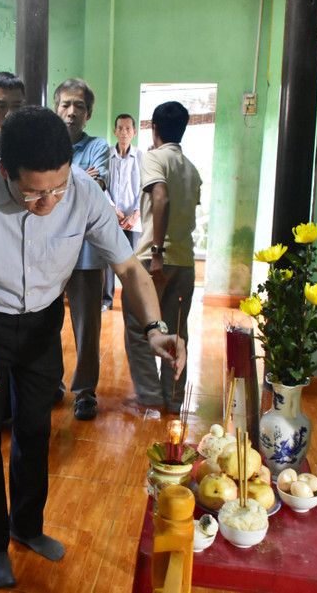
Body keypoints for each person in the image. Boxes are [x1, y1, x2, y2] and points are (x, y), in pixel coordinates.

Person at [0, 106, 186, 588]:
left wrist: (154, 327)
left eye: (57, 189)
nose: (48, 201)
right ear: (5, 170)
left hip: (44, 323)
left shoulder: (83, 192)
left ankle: (25, 526)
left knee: (35, 430)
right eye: (33, 192)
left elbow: (128, 267)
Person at [124, 101, 202, 413]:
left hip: (152, 260)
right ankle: (173, 397)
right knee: (175, 330)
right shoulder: (191, 168)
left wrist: (157, 253)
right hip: (185, 261)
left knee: (139, 326)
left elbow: (161, 196)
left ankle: (149, 395)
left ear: (154, 129)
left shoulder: (153, 158)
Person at [53, 78, 110, 420]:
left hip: (87, 252)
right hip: (47, 249)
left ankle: (85, 391)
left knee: (86, 325)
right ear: (56, 108)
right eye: (65, 105)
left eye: (79, 106)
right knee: (45, 321)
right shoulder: (45, 145)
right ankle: (52, 384)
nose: (71, 112)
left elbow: (94, 186)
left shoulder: (99, 146)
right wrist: (77, 176)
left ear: (88, 114)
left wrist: (60, 179)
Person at [103, 114, 143, 310]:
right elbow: (101, 185)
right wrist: (112, 209)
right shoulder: (107, 156)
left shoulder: (141, 157)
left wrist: (136, 214)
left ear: (134, 132)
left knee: (131, 261)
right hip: (112, 218)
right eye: (120, 128)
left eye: (128, 129)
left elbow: (145, 189)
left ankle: (130, 301)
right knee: (109, 259)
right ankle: (107, 300)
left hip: (134, 220)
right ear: (115, 132)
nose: (124, 132)